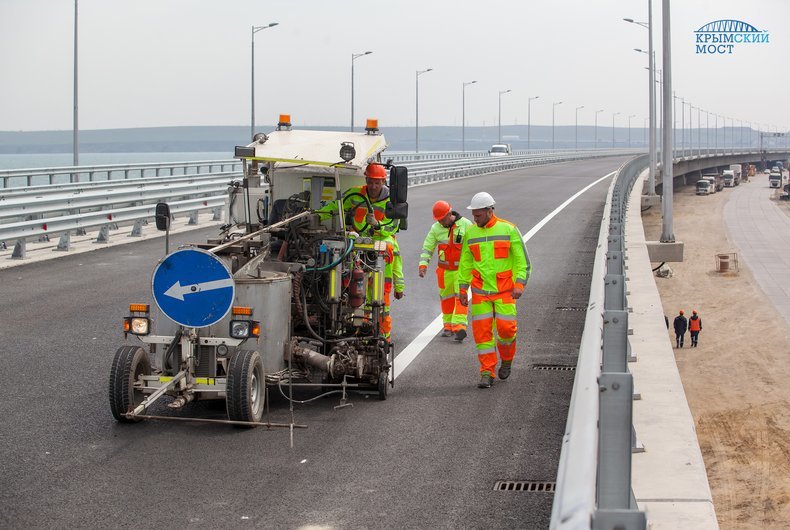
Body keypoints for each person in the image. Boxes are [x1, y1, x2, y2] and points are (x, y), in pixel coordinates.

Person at [317, 163, 402, 339]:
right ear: (366, 180)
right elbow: (336, 206)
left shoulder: (391, 201)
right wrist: (318, 215)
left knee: (379, 301)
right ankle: (351, 327)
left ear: (383, 182)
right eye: (370, 182)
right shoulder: (355, 195)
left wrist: (377, 225)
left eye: (377, 182)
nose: (373, 186)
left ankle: (382, 337)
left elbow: (393, 226)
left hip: (379, 242)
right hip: (356, 242)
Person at [458, 192, 531, 388]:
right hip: (480, 293)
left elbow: (523, 262)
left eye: (478, 215)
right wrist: (462, 288)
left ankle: (506, 360)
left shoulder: (509, 229)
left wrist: (519, 284)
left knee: (506, 330)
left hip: (505, 291)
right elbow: (465, 262)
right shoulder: (471, 233)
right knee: (482, 335)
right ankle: (486, 372)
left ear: (490, 211)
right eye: (473, 215)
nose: (475, 218)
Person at [418, 200, 474, 341]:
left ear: (450, 214)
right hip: (444, 272)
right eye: (439, 220)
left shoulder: (466, 224)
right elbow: (428, 247)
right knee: (446, 299)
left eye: (442, 219)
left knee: (460, 297)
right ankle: (448, 327)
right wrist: (423, 265)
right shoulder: (436, 228)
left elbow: (474, 246)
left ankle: (460, 327)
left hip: (462, 270)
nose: (441, 222)